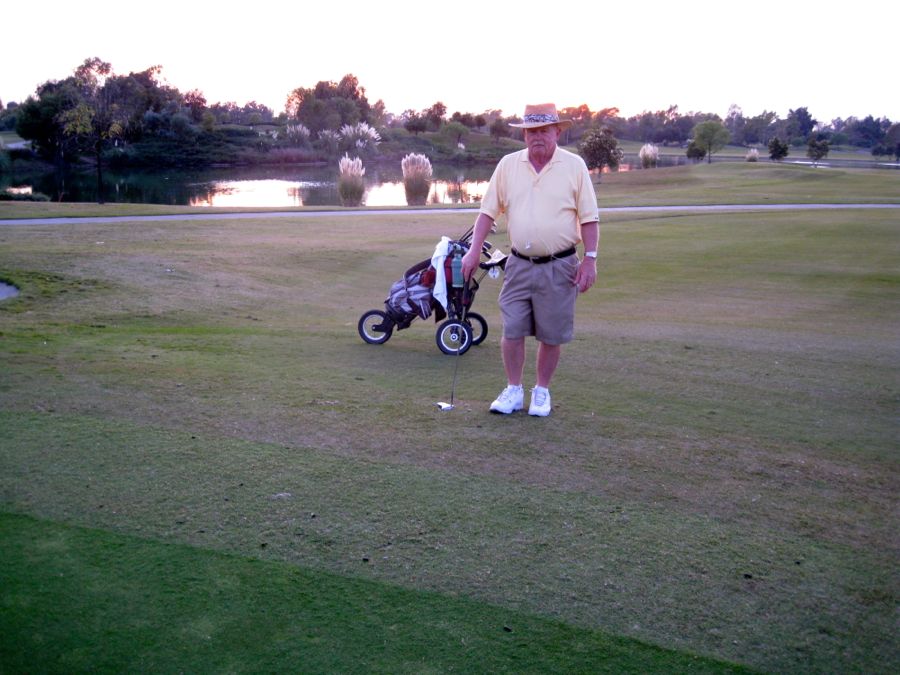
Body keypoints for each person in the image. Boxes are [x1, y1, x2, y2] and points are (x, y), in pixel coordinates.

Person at [461, 103, 599, 417]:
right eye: (531, 131)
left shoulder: (574, 166)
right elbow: (487, 212)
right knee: (512, 330)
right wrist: (472, 250)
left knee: (551, 334)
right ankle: (513, 390)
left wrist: (590, 259)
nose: (537, 137)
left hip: (560, 264)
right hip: (519, 264)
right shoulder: (508, 165)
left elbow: (589, 218)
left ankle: (541, 392)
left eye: (543, 131)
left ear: (557, 132)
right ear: (524, 134)